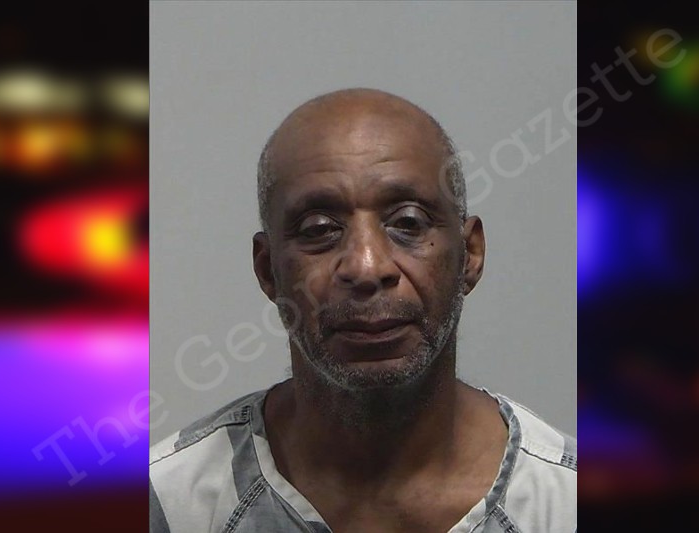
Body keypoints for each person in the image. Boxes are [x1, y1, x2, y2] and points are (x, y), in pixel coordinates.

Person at [149, 88, 576, 533]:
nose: (367, 267)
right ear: (267, 269)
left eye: (408, 222)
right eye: (319, 229)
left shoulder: (567, 505)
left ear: (469, 254)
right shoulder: (171, 506)